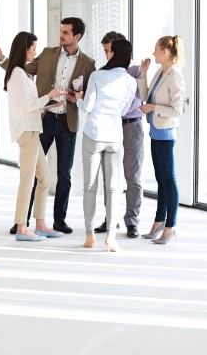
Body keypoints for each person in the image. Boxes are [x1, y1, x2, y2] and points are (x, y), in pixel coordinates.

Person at [0, 17, 96, 235]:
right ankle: (23, 222)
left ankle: (57, 220)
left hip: (67, 120)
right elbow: (21, 68)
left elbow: (89, 93)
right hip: (43, 119)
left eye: (66, 32)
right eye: (61, 31)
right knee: (32, 174)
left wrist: (78, 96)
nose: (61, 35)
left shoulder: (88, 63)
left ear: (77, 36)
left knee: (62, 174)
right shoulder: (47, 54)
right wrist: (2, 58)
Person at [70, 39, 136, 252]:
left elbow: (88, 107)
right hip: (115, 137)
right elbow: (124, 111)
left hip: (94, 134)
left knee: (90, 187)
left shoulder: (97, 76)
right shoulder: (130, 81)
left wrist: (78, 99)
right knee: (114, 188)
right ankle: (111, 236)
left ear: (113, 53)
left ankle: (90, 234)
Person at [3, 31, 67, 241]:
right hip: (27, 131)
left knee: (45, 177)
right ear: (24, 48)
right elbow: (28, 105)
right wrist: (49, 96)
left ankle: (40, 224)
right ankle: (22, 228)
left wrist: (50, 103)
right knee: (27, 179)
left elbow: (32, 106)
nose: (35, 53)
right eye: (33, 49)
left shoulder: (23, 73)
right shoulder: (18, 73)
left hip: (32, 129)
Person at [93, 32, 144, 238]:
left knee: (133, 176)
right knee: (109, 176)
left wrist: (119, 107)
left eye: (109, 50)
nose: (107, 55)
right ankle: (110, 219)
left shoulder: (137, 71)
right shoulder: (104, 73)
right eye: (105, 51)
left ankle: (132, 222)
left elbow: (138, 99)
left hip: (132, 127)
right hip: (110, 127)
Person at [137, 35, 186, 245]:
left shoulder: (175, 76)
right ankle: (159, 222)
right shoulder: (160, 72)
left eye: (156, 49)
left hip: (166, 134)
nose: (153, 52)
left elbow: (177, 109)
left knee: (169, 180)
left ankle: (171, 226)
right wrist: (143, 74)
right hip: (156, 132)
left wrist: (153, 108)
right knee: (161, 180)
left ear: (165, 51)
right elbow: (146, 96)